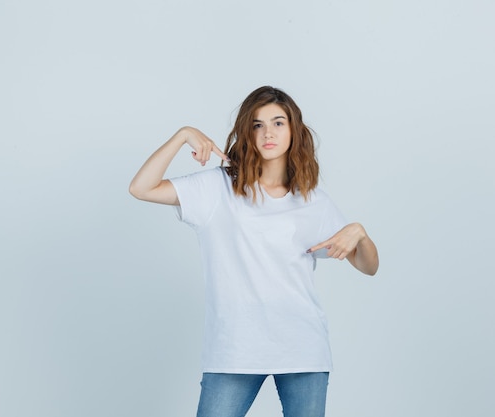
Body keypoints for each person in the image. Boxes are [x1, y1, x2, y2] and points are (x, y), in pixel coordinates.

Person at [129, 86, 379, 417]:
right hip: (235, 349)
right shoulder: (218, 188)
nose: (268, 133)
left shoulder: (312, 200)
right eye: (258, 125)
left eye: (278, 123)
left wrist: (359, 233)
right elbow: (140, 188)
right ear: (248, 132)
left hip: (302, 347)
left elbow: (368, 266)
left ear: (294, 131)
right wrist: (183, 134)